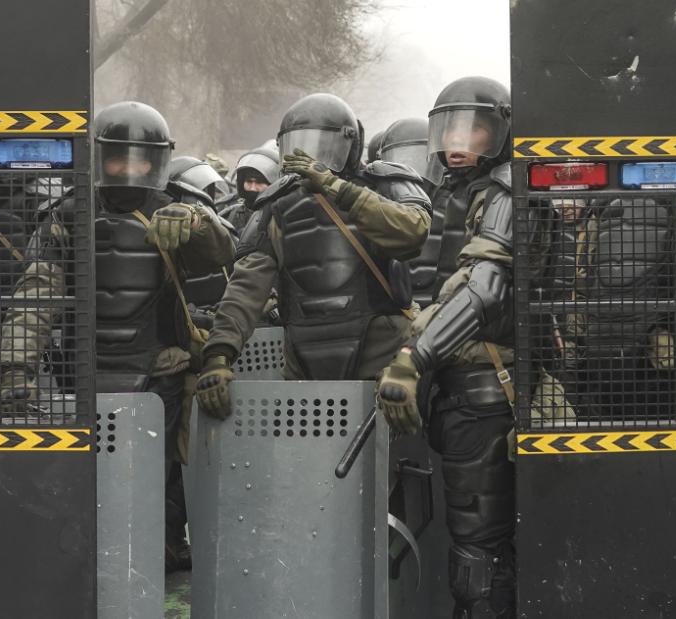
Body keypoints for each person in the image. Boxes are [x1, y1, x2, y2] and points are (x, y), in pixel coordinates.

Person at [0, 101, 235, 572]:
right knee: (88, 481)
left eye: (141, 159)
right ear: (98, 157)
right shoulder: (65, 216)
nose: (129, 169)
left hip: (159, 372)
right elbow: (35, 297)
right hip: (86, 376)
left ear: (158, 161)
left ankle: (155, 557)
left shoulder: (178, 210)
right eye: (118, 158)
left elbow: (225, 253)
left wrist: (197, 222)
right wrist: (16, 368)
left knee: (156, 479)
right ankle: (89, 568)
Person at [375, 76, 524, 619]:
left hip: (485, 388)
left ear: (502, 132)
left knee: (478, 550)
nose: (459, 141)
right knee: (469, 540)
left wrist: (414, 357)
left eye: (476, 129)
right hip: (454, 387)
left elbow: (482, 291)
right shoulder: (449, 193)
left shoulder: (507, 192)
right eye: (451, 128)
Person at [194, 93, 431, 419]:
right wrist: (218, 355)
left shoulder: (382, 183)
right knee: (306, 464)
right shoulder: (275, 206)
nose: (312, 156)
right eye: (299, 145)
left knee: (392, 462)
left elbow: (412, 232)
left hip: (382, 361)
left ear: (351, 143)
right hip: (304, 366)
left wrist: (338, 188)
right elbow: (246, 286)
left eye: (324, 145)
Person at [378, 117, 447, 307]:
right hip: (399, 311)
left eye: (419, 157)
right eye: (401, 160)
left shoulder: (455, 201)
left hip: (445, 306)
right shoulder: (379, 204)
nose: (413, 169)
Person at [216, 144, 282, 234]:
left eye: (259, 182)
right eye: (249, 181)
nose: (252, 188)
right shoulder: (230, 215)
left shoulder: (283, 215)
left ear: (273, 184)